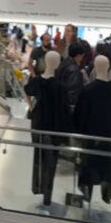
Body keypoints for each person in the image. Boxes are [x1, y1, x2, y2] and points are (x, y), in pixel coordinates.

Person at [75, 55, 111, 210]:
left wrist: (76, 134)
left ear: (95, 66)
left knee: (88, 169)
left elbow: (79, 117)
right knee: (106, 170)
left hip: (90, 139)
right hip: (108, 140)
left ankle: (87, 195)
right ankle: (105, 195)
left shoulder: (87, 91)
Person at [28, 52, 70, 211]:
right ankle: (47, 195)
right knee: (51, 163)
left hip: (39, 125)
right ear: (58, 64)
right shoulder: (60, 87)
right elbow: (65, 111)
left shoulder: (37, 82)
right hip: (53, 129)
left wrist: (32, 108)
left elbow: (27, 90)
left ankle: (38, 188)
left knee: (38, 159)